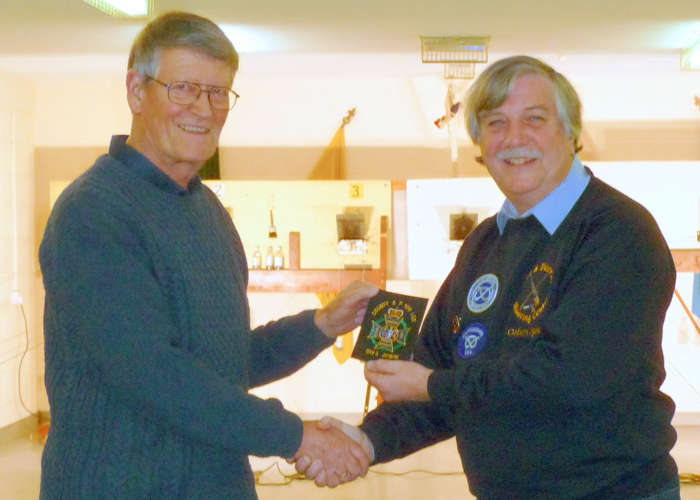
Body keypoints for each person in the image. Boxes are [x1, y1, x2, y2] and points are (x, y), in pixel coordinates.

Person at [298, 55, 681, 500]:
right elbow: (439, 375)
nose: (514, 138)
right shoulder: (483, 244)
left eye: (534, 118)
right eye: (495, 123)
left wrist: (428, 384)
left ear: (570, 131)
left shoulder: (617, 231)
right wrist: (365, 441)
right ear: (480, 143)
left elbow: (571, 378)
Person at [39, 11, 376, 500]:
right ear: (136, 91)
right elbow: (155, 374)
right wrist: (296, 435)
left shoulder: (207, 210)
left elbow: (221, 363)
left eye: (219, 92)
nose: (204, 108)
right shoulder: (92, 213)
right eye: (183, 88)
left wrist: (321, 325)